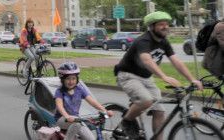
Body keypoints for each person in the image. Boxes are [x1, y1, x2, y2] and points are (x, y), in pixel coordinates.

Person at [114, 11, 203, 139]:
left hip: (146, 78)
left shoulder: (164, 42)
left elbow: (177, 62)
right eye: (161, 24)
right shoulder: (143, 41)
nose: (165, 27)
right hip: (128, 76)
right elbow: (147, 60)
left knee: (159, 111)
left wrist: (192, 80)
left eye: (166, 24)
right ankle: (126, 121)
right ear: (151, 27)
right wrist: (164, 76)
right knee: (146, 100)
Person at [54, 62, 113, 140]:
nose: (71, 82)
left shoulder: (79, 89)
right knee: (77, 125)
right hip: (62, 118)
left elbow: (92, 102)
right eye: (68, 79)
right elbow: (59, 106)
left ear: (77, 79)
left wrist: (105, 111)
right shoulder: (60, 91)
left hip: (77, 120)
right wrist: (67, 116)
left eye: (73, 78)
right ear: (63, 79)